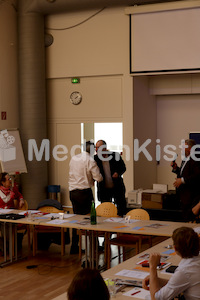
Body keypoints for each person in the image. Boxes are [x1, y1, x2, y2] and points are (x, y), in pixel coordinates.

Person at [142, 227, 200, 300]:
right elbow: (178, 283)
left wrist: (152, 267)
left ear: (175, 248)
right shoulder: (195, 261)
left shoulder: (185, 270)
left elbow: (156, 298)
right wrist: (156, 279)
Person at [68, 141, 103, 254]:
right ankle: (95, 246)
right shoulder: (90, 160)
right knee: (91, 219)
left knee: (76, 219)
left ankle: (74, 246)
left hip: (73, 192)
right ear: (92, 150)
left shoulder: (74, 158)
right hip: (84, 192)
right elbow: (98, 178)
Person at [94, 140, 127, 217]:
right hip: (104, 189)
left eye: (99, 147)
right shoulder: (95, 159)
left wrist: (117, 173)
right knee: (105, 211)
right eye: (96, 147)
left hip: (117, 187)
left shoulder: (115, 155)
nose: (97, 149)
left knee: (121, 209)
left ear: (105, 148)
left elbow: (123, 167)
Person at [170, 139, 200, 221]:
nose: (182, 149)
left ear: (190, 148)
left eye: (184, 147)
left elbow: (197, 176)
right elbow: (182, 174)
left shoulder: (196, 159)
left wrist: (182, 180)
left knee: (189, 220)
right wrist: (175, 168)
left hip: (191, 197)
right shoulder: (185, 159)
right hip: (182, 197)